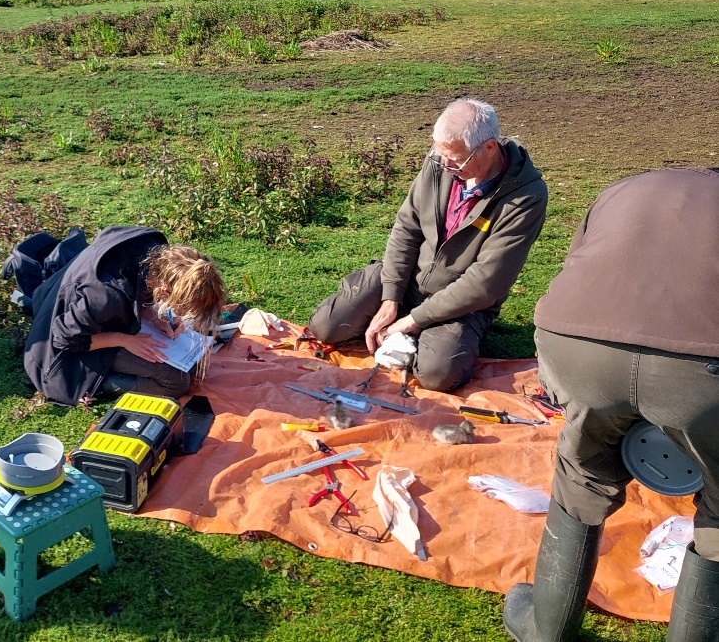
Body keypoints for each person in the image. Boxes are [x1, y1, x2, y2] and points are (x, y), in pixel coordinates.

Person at [503, 167, 719, 642]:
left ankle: (546, 627)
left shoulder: (627, 187)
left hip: (575, 344)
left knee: (582, 472)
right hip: (704, 370)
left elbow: (579, 263)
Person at [308, 97, 548, 392]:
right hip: (410, 279)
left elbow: (486, 283)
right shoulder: (441, 161)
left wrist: (411, 322)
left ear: (489, 147)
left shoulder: (526, 197)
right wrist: (390, 298)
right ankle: (396, 321)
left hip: (461, 303)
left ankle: (429, 335)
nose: (445, 165)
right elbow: (406, 228)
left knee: (438, 375)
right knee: (326, 327)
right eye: (440, 154)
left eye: (457, 159)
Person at [23, 226, 227, 406]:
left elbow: (136, 289)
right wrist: (125, 340)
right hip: (62, 356)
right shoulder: (104, 295)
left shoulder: (150, 248)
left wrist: (156, 317)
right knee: (176, 381)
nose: (179, 314)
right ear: (165, 287)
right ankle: (98, 384)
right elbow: (64, 339)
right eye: (180, 306)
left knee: (193, 365)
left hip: (93, 319)